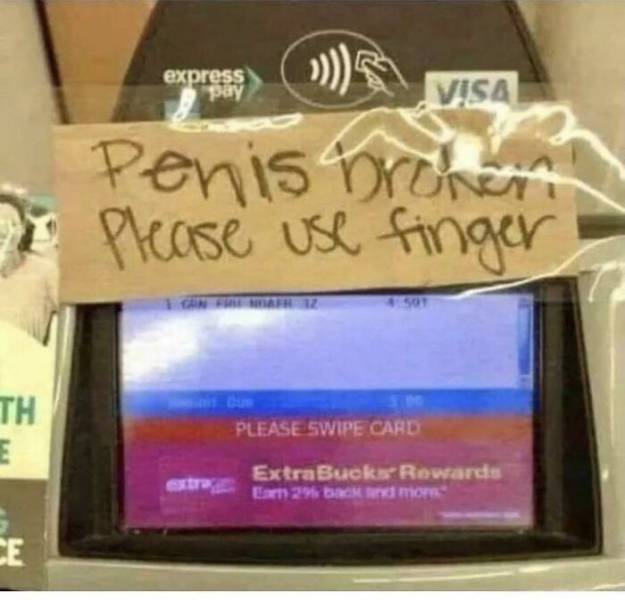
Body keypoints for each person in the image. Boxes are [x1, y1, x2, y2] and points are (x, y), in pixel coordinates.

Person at [0, 193, 57, 346]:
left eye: (12, 224)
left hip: (24, 358)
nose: (3, 232)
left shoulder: (45, 272)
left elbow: (80, 312)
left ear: (23, 229)